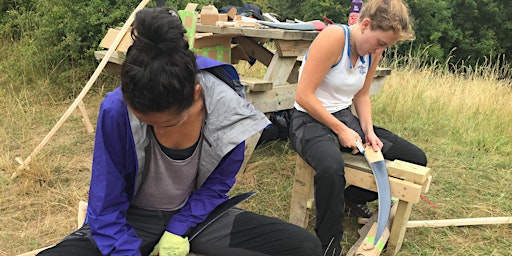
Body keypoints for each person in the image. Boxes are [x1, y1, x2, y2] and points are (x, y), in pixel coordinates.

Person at [38, 7, 322, 256]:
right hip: (131, 221)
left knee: (303, 247)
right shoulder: (116, 109)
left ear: (196, 95)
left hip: (197, 217)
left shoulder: (227, 110)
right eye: (145, 122)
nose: (155, 131)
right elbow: (106, 205)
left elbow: (217, 184)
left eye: (167, 123)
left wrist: (178, 228)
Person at [288, 0, 428, 255]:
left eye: (385, 46)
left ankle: (351, 197)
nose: (381, 49)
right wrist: (340, 130)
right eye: (381, 43)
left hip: (343, 115)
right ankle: (329, 246)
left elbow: (362, 95)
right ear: (365, 25)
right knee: (331, 167)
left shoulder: (372, 50)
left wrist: (369, 131)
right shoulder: (334, 38)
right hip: (308, 119)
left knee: (415, 157)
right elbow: (303, 96)